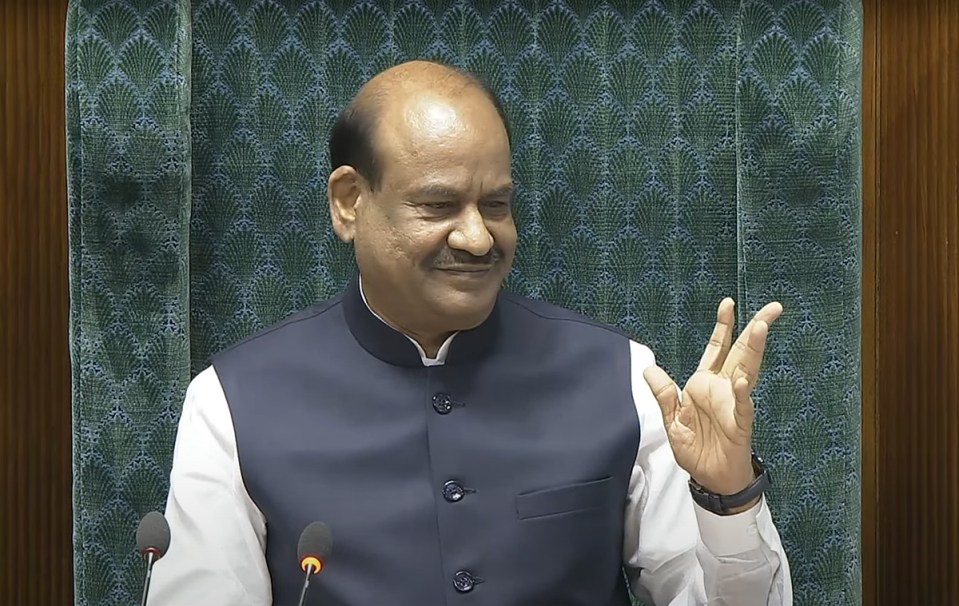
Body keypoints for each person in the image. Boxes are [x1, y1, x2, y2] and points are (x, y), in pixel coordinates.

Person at [149, 60, 792, 605]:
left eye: (496, 205)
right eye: (438, 205)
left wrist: (727, 498)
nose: (479, 238)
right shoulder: (229, 403)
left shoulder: (624, 376)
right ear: (349, 201)